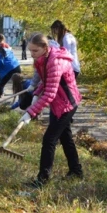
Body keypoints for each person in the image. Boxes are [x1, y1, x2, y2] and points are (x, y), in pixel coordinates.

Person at [19, 33, 83, 187]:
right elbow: (46, 81)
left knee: (49, 139)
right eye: (30, 51)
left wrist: (31, 112)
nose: (32, 55)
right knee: (65, 137)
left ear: (45, 48)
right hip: (58, 103)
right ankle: (76, 171)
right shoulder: (43, 59)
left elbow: (50, 92)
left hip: (67, 103)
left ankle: (42, 179)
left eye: (35, 51)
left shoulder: (55, 61)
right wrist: (35, 94)